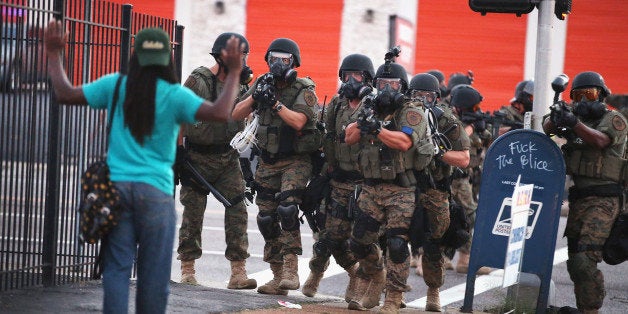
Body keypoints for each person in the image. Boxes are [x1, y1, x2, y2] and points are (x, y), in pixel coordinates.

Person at [45, 21, 244, 313]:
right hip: (155, 193)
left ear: (134, 56)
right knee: (153, 275)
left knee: (116, 268)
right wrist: (235, 72)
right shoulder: (174, 94)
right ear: (168, 60)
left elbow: (65, 93)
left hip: (116, 191)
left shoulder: (115, 86)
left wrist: (53, 54)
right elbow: (220, 113)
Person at [232, 38, 321, 295]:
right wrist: (256, 98)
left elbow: (299, 122)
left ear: (293, 62)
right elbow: (236, 113)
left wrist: (275, 104)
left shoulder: (303, 89)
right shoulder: (262, 83)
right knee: (266, 217)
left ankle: (292, 270)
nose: (277, 64)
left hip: (296, 159)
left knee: (287, 208)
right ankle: (277, 274)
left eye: (284, 59)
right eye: (273, 58)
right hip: (268, 161)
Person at [344, 62, 433, 312]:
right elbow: (349, 138)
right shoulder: (370, 107)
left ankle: (393, 298)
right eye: (382, 84)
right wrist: (364, 123)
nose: (386, 89)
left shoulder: (411, 110)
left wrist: (377, 129)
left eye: (392, 84)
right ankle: (377, 273)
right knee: (358, 242)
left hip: (401, 190)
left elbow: (404, 142)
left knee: (396, 244)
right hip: (371, 188)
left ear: (402, 87)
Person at [176, 32, 256, 289]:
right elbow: (178, 114)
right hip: (196, 156)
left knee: (238, 209)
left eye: (244, 56)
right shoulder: (198, 81)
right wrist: (178, 153)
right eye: (239, 56)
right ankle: (187, 269)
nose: (243, 61)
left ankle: (238, 272)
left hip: (227, 156)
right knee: (193, 214)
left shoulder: (240, 85)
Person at [543, 71, 626, 314]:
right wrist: (558, 115)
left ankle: (591, 310)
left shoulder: (613, 119)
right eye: (579, 96)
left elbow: (601, 141)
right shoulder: (575, 118)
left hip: (605, 198)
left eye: (590, 94)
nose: (585, 101)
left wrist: (574, 123)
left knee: (585, 260)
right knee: (575, 261)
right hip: (579, 197)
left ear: (602, 95)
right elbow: (546, 128)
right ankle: (585, 309)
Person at [301, 54, 374, 303]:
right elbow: (329, 135)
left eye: (357, 76)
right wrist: (325, 172)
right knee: (329, 237)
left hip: (365, 183)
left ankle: (366, 282)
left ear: (367, 79)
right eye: (346, 75)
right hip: (338, 179)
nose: (351, 80)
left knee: (363, 238)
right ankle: (327, 273)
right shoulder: (338, 103)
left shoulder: (373, 105)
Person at [407, 73, 471, 311]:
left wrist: (436, 151)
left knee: (435, 243)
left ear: (437, 97)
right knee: (395, 239)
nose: (423, 100)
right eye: (417, 95)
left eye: (429, 96)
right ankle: (393, 292)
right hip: (404, 186)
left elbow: (464, 158)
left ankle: (433, 292)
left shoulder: (446, 119)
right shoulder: (401, 114)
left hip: (435, 189)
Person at [448, 84, 492, 275]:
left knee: (466, 217)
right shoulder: (448, 119)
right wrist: (470, 128)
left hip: (468, 177)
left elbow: (487, 143)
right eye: (474, 108)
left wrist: (482, 130)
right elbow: (453, 140)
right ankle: (433, 257)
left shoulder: (473, 123)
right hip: (450, 177)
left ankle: (464, 258)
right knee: (447, 216)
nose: (477, 111)